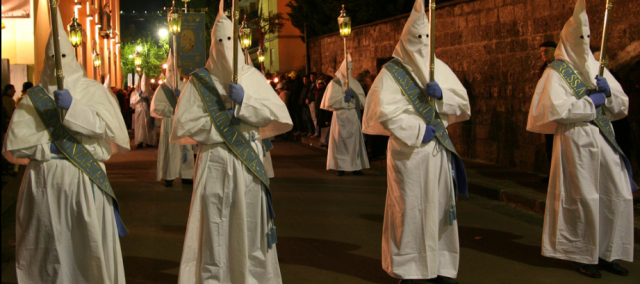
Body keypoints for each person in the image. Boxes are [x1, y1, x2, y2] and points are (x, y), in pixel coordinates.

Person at [1, 9, 129, 283]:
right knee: (49, 248)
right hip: (44, 181)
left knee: (88, 247)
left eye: (61, 56)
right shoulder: (32, 98)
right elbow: (16, 147)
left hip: (85, 181)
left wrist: (73, 109)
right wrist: (47, 149)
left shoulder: (93, 91)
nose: (57, 63)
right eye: (51, 57)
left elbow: (108, 132)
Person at [171, 2, 292, 282]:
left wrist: (245, 103)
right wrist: (222, 120)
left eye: (229, 40)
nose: (225, 46)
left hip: (247, 162)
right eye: (219, 41)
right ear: (211, 44)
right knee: (215, 227)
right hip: (214, 161)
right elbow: (185, 124)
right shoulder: (199, 82)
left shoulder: (251, 77)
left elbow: (276, 114)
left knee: (248, 225)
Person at [527, 0, 637, 279]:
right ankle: (583, 254)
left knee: (616, 193)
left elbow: (622, 105)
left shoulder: (597, 66)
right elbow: (555, 109)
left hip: (604, 137)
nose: (584, 42)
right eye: (579, 37)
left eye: (587, 38)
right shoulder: (556, 72)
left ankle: (607, 252)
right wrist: (590, 103)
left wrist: (608, 94)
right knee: (583, 196)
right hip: (577, 139)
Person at [362, 0, 470, 283]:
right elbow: (381, 110)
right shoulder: (392, 73)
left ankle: (440, 264)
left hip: (438, 152)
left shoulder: (440, 68)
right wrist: (415, 130)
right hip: (409, 153)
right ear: (406, 38)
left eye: (426, 37)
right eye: (417, 37)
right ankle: (410, 268)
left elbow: (463, 104)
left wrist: (443, 97)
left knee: (439, 208)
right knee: (410, 209)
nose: (422, 42)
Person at [321, 55, 370, 176]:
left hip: (352, 115)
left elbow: (363, 100)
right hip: (340, 116)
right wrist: (344, 99)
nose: (349, 71)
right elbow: (330, 102)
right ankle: (341, 166)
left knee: (354, 142)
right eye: (347, 69)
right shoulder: (334, 83)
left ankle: (355, 166)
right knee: (340, 142)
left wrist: (354, 98)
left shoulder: (355, 83)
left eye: (351, 69)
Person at [151, 51, 195, 187]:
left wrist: (181, 96)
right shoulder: (162, 89)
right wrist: (171, 109)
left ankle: (187, 174)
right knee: (170, 149)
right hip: (170, 121)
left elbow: (192, 103)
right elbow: (157, 107)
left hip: (182, 121)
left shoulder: (184, 86)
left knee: (185, 148)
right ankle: (169, 174)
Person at [538, 41, 557, 178]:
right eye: (542, 52)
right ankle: (551, 173)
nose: (544, 54)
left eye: (547, 51)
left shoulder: (559, 69)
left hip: (557, 112)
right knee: (549, 146)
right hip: (547, 113)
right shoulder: (544, 69)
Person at [130, 73, 157, 148]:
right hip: (139, 111)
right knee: (140, 127)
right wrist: (138, 96)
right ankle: (140, 141)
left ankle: (149, 141)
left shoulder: (151, 92)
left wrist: (148, 100)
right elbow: (132, 102)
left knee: (148, 126)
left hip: (148, 112)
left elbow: (154, 101)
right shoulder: (135, 92)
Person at [315, 77, 333, 147]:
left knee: (326, 129)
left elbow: (326, 105)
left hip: (323, 113)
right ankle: (324, 141)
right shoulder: (320, 91)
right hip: (321, 112)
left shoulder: (324, 91)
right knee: (324, 129)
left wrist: (326, 118)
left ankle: (325, 142)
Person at [307, 72, 319, 137]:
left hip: (313, 101)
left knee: (314, 117)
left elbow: (314, 93)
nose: (311, 78)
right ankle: (315, 131)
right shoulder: (311, 84)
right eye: (310, 76)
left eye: (312, 76)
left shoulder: (316, 84)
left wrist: (309, 99)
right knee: (312, 117)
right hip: (310, 101)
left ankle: (316, 132)